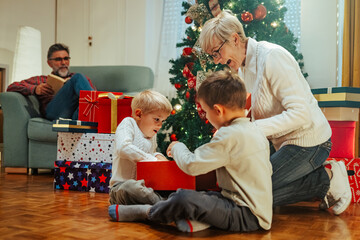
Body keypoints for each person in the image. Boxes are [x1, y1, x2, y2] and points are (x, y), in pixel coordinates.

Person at [197, 10, 351, 215]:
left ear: (234, 39)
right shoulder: (242, 69)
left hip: (310, 142)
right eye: (212, 55)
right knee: (247, 190)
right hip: (282, 144)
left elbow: (300, 114)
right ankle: (314, 177)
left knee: (254, 196)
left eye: (217, 52)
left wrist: (252, 129)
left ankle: (327, 178)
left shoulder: (272, 57)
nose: (216, 60)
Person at [108, 71, 273, 233]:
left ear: (218, 111)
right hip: (253, 209)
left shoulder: (228, 135)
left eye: (206, 112)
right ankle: (189, 219)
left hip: (244, 213)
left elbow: (192, 165)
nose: (207, 118)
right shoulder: (255, 130)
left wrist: (178, 146)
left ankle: (147, 212)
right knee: (202, 196)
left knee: (184, 198)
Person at [109, 89, 172, 206]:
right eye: (157, 119)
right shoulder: (128, 124)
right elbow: (123, 148)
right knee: (132, 188)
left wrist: (158, 156)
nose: (160, 125)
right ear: (139, 114)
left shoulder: (152, 135)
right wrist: (153, 159)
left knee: (153, 190)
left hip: (145, 187)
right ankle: (166, 205)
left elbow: (151, 153)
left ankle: (151, 208)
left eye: (163, 121)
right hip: (121, 187)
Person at [7, 43, 96, 120]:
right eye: (58, 59)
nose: (63, 62)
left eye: (66, 58)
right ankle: (99, 111)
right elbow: (11, 87)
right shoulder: (41, 80)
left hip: (76, 114)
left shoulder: (81, 80)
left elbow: (93, 94)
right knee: (78, 77)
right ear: (49, 63)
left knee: (82, 87)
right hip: (55, 112)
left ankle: (96, 115)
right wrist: (35, 89)